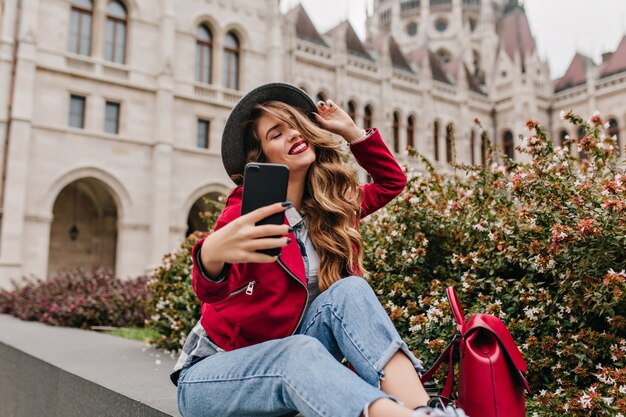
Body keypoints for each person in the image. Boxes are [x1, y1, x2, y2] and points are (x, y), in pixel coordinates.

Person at [172, 83, 466, 417]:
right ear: (262, 156)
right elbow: (209, 288)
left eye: (296, 123)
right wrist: (211, 254)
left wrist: (353, 132)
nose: (293, 134)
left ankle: (425, 410)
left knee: (350, 290)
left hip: (296, 366)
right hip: (215, 377)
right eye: (276, 133)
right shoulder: (246, 210)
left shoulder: (330, 206)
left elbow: (390, 182)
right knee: (297, 351)